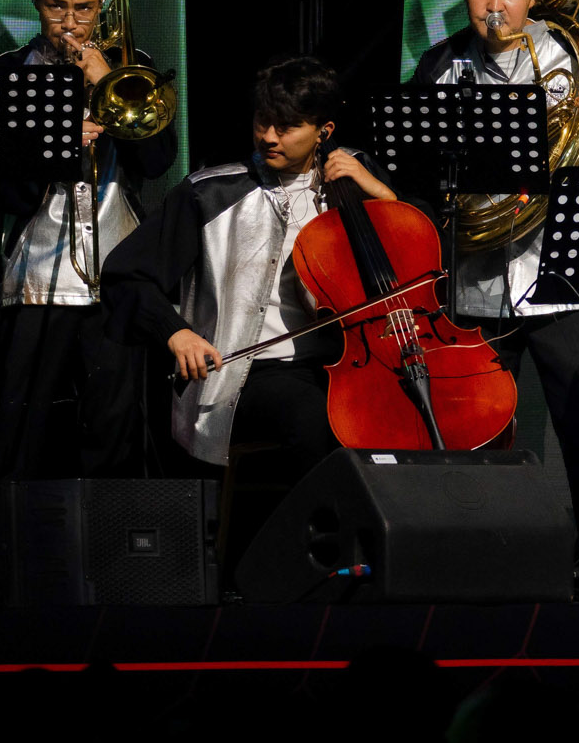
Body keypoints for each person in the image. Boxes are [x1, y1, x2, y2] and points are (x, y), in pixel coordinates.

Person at [410, 0, 579, 530]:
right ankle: (480, 546)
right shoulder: (440, 65)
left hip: (560, 280)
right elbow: (413, 171)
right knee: (474, 433)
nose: (496, 7)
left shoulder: (574, 55)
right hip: (476, 282)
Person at [102, 57, 398, 490]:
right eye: (263, 121)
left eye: (287, 127)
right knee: (313, 417)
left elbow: (415, 258)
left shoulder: (355, 174)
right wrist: (176, 332)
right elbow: (125, 274)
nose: (269, 137)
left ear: (324, 131)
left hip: (355, 364)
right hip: (250, 373)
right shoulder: (210, 193)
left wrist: (384, 196)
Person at [0, 0, 176, 478]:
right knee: (22, 424)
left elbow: (158, 161)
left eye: (84, 9)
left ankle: (110, 527)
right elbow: (6, 196)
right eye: (56, 6)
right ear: (36, 1)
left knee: (114, 424)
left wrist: (104, 78)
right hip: (36, 272)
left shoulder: (132, 65)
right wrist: (55, 146)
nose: (70, 23)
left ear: (102, 6)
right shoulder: (8, 73)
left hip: (116, 268)